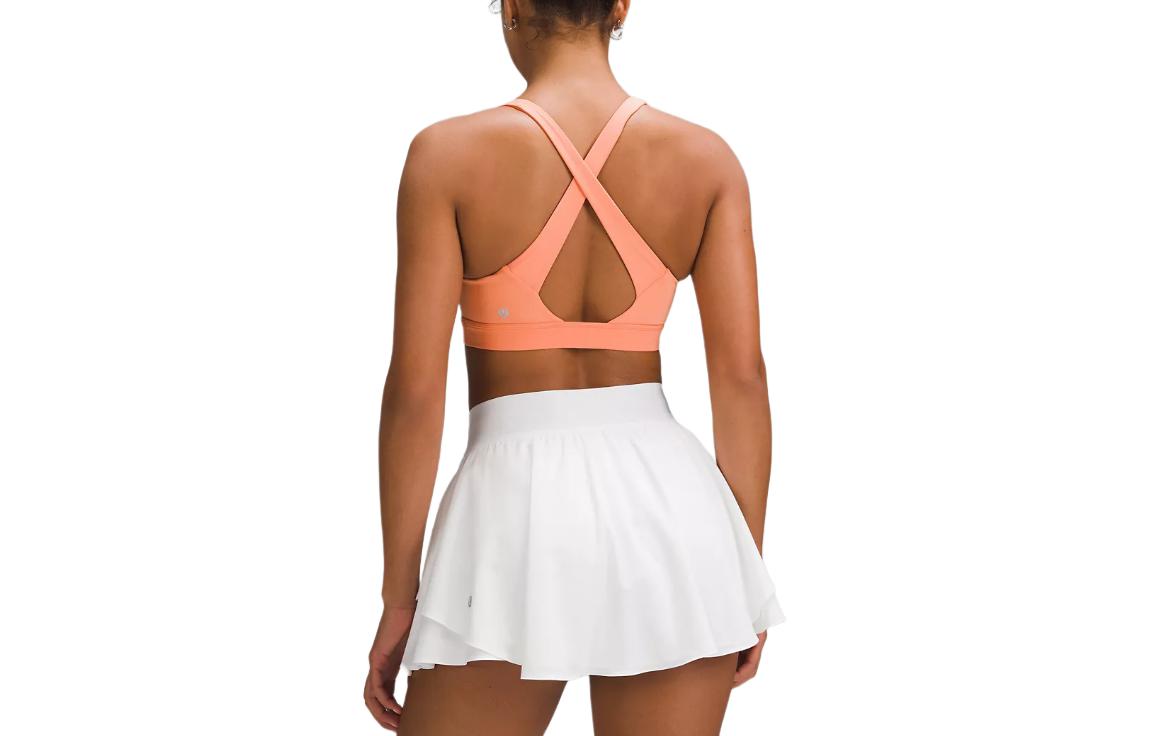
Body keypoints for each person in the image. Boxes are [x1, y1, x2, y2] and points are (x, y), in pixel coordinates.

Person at [364, 1, 784, 733]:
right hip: (670, 508)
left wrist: (400, 595)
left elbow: (416, 392)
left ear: (513, 5)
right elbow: (742, 378)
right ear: (621, 5)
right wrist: (740, 575)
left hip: (508, 507)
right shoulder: (705, 159)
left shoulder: (446, 155)